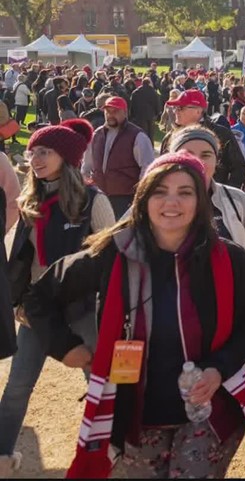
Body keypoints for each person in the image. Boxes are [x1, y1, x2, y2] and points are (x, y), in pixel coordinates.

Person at [24, 152, 245, 478]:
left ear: (201, 201)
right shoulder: (111, 254)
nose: (172, 202)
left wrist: (220, 367)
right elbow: (39, 297)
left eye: (185, 192)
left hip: (210, 410)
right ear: (143, 199)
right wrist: (65, 346)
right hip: (135, 414)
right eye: (159, 191)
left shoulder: (231, 260)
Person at [0, 120, 116, 475]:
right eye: (33, 150)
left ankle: (110, 449)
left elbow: (113, 257)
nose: (35, 158)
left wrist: (112, 310)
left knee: (99, 383)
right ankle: (2, 454)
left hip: (84, 308)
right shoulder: (30, 201)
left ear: (66, 157)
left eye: (45, 151)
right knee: (18, 385)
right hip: (39, 309)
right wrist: (19, 301)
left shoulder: (93, 200)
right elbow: (22, 258)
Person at [168, 126, 245, 280]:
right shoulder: (154, 203)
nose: (198, 161)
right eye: (187, 154)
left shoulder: (239, 202)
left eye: (206, 155)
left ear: (217, 160)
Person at [82, 96, 155, 218]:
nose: (110, 115)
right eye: (107, 111)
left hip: (126, 199)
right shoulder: (96, 135)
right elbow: (87, 164)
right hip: (100, 197)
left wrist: (140, 195)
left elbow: (147, 168)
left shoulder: (137, 136)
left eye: (115, 111)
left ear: (125, 113)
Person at [160, 89, 245, 189]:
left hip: (212, 199)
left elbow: (239, 167)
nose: (175, 111)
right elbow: (162, 168)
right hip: (181, 198)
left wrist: (223, 194)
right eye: (175, 107)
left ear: (198, 111)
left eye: (180, 108)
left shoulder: (221, 134)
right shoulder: (170, 137)